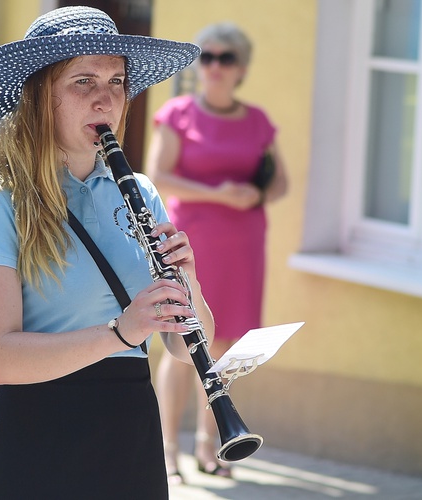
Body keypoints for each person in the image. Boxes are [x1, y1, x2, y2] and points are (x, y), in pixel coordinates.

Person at [0, 6, 212, 499]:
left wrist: (189, 285)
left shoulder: (141, 193)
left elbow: (186, 348)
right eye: (83, 81)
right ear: (40, 96)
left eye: (116, 82)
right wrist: (120, 331)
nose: (104, 99)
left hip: (128, 440)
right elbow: (1, 358)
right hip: (32, 443)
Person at [146, 22, 288, 483]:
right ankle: (167, 448)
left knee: (227, 344)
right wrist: (219, 194)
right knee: (183, 342)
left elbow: (280, 181)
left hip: (244, 243)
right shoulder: (178, 114)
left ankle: (213, 443)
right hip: (192, 243)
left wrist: (255, 195)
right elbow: (157, 175)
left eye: (225, 58)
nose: (214, 66)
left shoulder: (258, 121)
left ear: (241, 68)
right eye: (206, 56)